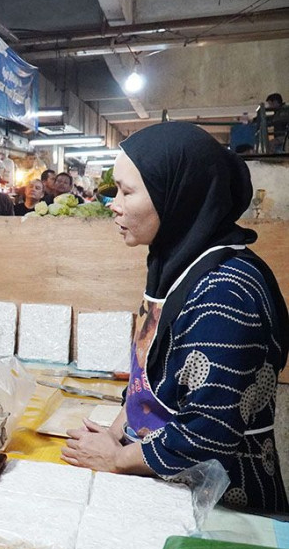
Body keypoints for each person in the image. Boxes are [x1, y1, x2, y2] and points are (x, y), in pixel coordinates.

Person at [62, 122, 288, 514]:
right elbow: (150, 377)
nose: (113, 204)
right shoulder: (176, 264)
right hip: (167, 479)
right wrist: (118, 433)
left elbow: (208, 432)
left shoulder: (225, 293)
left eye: (127, 192)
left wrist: (117, 459)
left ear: (176, 196)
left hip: (221, 502)